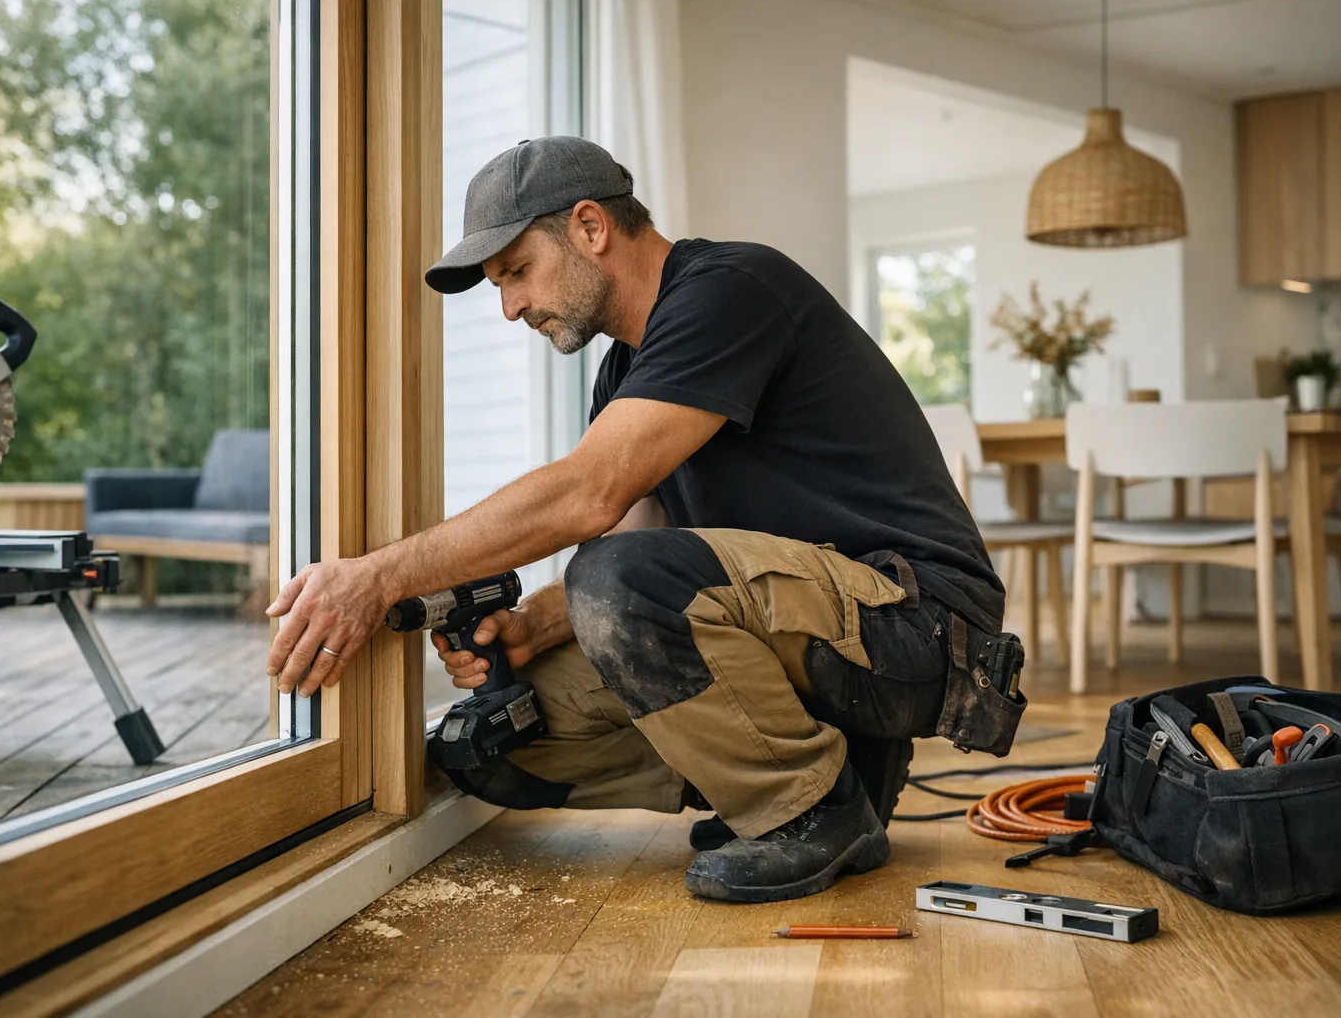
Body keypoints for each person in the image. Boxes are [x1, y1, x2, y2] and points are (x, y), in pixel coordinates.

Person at [264, 136, 1007, 903]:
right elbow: (633, 537)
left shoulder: (734, 288)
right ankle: (826, 773)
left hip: (918, 627)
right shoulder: (628, 369)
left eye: (516, 272)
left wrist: (374, 578)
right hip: (813, 633)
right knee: (496, 744)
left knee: (612, 583)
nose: (511, 306)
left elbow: (591, 496)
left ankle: (808, 811)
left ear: (590, 227)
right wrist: (533, 628)